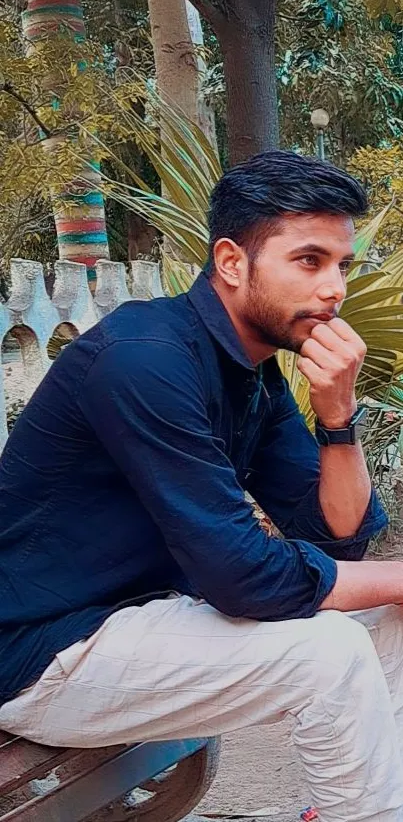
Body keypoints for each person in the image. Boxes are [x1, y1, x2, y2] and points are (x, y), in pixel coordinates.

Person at [0, 150, 402, 822]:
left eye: (341, 264)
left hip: (145, 619)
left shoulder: (255, 374)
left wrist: (337, 417)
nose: (333, 288)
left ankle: (360, 803)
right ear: (231, 262)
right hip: (44, 650)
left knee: (387, 620)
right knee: (327, 653)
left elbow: (338, 537)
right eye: (308, 261)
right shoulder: (145, 360)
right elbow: (246, 578)